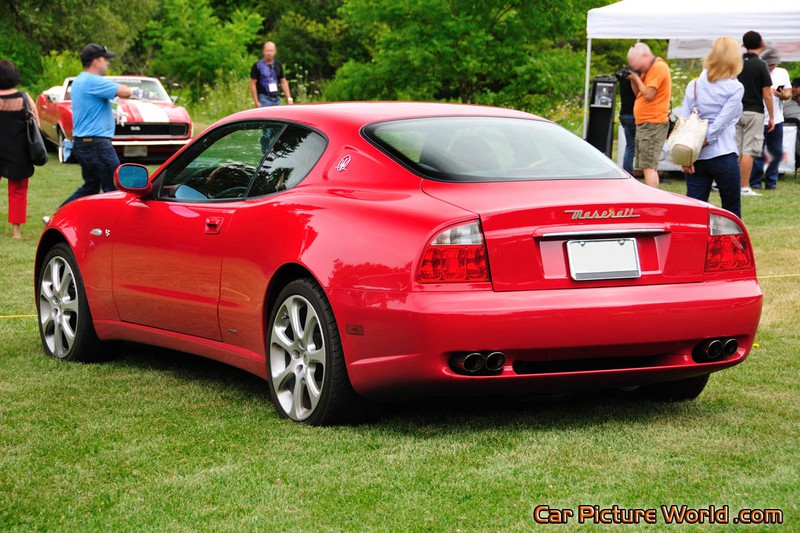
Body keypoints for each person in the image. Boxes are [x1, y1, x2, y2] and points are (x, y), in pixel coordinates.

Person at [60, 44, 135, 207]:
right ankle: (116, 226)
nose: (108, 63)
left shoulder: (80, 80)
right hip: (96, 143)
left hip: (83, 142)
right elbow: (126, 92)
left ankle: (59, 215)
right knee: (116, 188)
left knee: (90, 187)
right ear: (96, 62)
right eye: (105, 59)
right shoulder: (93, 81)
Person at [680, 37, 744, 220]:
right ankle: (732, 248)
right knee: (731, 213)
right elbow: (720, 124)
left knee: (694, 213)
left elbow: (685, 121)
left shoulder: (693, 85)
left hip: (696, 156)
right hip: (723, 153)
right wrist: (705, 141)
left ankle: (693, 248)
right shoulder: (736, 88)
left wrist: (689, 153)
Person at [0, 59, 39, 239]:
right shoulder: (24, 97)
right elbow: (36, 125)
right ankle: (16, 232)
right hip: (19, 153)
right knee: (18, 192)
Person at [627, 43, 672, 188]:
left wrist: (636, 78)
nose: (637, 68)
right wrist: (634, 79)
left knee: (649, 167)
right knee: (645, 165)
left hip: (653, 123)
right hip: (645, 122)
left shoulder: (658, 67)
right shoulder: (648, 70)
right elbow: (639, 94)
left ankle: (653, 199)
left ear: (645, 56)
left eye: (637, 65)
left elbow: (648, 94)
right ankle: (650, 195)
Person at [736, 31, 774, 197]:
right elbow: (767, 94)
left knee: (735, 150)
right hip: (754, 111)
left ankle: (732, 184)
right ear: (760, 43)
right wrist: (772, 116)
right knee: (748, 151)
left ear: (744, 44)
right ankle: (744, 186)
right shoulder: (761, 65)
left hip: (736, 111)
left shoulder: (736, 63)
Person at [749, 48, 792, 190]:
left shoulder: (782, 73)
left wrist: (782, 95)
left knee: (776, 152)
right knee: (758, 153)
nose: (771, 66)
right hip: (760, 118)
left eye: (773, 64)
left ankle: (771, 181)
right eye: (769, 64)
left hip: (777, 119)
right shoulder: (757, 70)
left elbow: (788, 93)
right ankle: (755, 181)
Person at [249, 42, 294, 108]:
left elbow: (283, 82)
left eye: (271, 51)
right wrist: (256, 101)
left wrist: (289, 98)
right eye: (267, 50)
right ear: (263, 51)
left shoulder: (278, 65)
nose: (269, 53)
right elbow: (252, 84)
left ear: (275, 51)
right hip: (263, 98)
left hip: (276, 97)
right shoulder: (257, 66)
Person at [618, 76, 636, 174]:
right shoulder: (636, 78)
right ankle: (630, 172)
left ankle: (627, 171)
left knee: (630, 147)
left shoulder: (622, 78)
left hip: (624, 114)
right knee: (636, 147)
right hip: (634, 114)